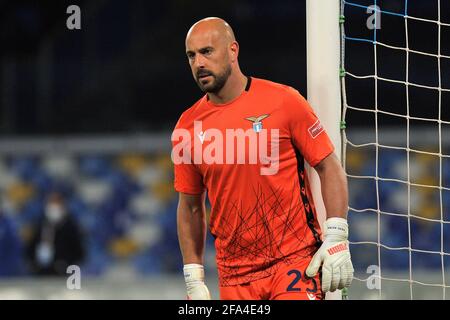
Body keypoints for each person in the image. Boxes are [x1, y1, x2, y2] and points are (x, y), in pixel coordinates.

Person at [171, 17, 353, 300]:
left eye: (207, 51)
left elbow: (328, 166)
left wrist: (337, 236)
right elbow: (190, 207)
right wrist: (193, 278)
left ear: (233, 51)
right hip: (233, 277)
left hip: (292, 262)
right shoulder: (187, 126)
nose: (198, 63)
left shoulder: (284, 101)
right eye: (191, 56)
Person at [27, 190, 85, 276]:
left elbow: (79, 252)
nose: (53, 207)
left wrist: (65, 263)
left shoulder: (71, 227)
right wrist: (35, 264)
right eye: (51, 203)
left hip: (63, 274)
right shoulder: (40, 225)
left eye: (56, 203)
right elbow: (30, 249)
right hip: (41, 274)